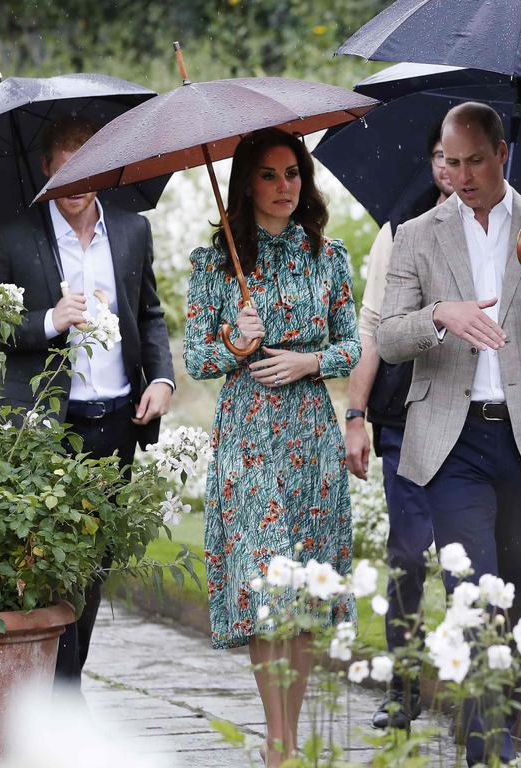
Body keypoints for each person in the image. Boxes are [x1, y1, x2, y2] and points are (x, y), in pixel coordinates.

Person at [376, 102, 521, 764]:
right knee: (475, 598)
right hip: (453, 441)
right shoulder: (416, 235)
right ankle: (484, 752)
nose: (461, 175)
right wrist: (442, 314)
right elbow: (387, 337)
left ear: (502, 153)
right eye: (450, 161)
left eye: (474, 161)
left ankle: (493, 738)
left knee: (519, 604)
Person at [0, 116, 175, 688]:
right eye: (66, 171)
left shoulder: (132, 230)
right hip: (44, 425)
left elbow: (149, 314)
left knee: (96, 561)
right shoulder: (12, 236)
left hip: (117, 422)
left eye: (88, 170)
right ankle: (57, 687)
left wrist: (162, 380)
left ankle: (67, 677)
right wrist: (47, 322)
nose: (77, 184)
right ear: (46, 170)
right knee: (50, 557)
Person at [183, 128, 360, 766]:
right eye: (269, 175)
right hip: (249, 436)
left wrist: (309, 360)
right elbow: (196, 355)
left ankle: (289, 734)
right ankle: (278, 742)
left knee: (305, 591)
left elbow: (352, 344)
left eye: (293, 174)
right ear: (246, 184)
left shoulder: (328, 255)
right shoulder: (215, 262)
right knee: (266, 590)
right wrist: (234, 342)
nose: (284, 187)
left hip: (311, 435)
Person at [344, 122, 453, 730]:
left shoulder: (516, 232)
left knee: (477, 562)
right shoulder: (399, 229)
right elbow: (372, 325)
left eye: (463, 157)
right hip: (403, 414)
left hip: (476, 420)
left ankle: (482, 696)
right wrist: (356, 415)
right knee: (409, 554)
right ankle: (404, 688)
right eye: (440, 155)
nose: (450, 168)